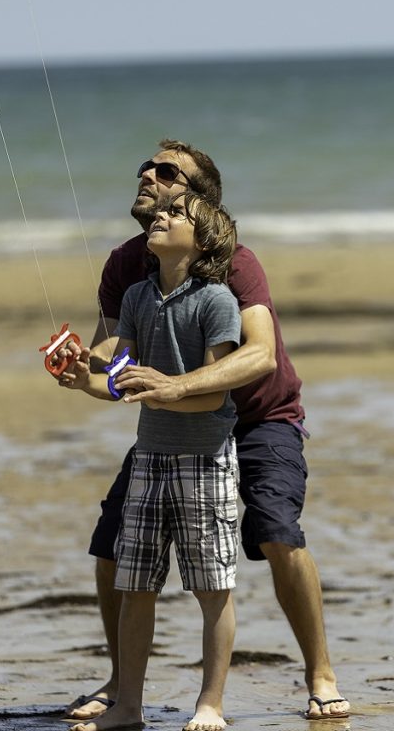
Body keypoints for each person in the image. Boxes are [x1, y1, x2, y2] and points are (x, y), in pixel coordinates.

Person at [61, 139, 350, 722]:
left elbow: (260, 355)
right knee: (113, 539)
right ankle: (123, 685)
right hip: (174, 432)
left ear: (198, 202)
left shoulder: (234, 265)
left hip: (259, 417)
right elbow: (112, 353)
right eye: (146, 165)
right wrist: (79, 365)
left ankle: (320, 672)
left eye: (167, 172)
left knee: (276, 530)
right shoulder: (126, 264)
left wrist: (175, 387)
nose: (148, 173)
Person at [66, 191, 242, 731]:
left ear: (204, 238)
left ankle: (210, 705)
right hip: (149, 459)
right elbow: (121, 380)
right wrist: (83, 380)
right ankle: (129, 707)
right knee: (135, 585)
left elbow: (213, 395)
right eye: (157, 214)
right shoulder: (140, 296)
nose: (159, 217)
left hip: (206, 459)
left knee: (212, 589)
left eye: (175, 214)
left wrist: (165, 390)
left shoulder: (218, 301)